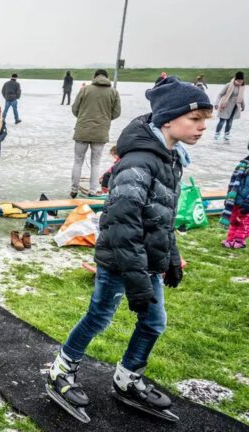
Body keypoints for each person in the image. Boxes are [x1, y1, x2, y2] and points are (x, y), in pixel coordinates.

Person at [45, 77, 213, 423]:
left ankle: (128, 377)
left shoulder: (169, 158)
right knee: (100, 317)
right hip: (120, 260)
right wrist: (136, 279)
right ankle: (61, 369)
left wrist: (169, 256)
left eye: (205, 120)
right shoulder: (139, 163)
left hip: (146, 260)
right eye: (196, 120)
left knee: (153, 323)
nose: (202, 127)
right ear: (169, 119)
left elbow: (161, 216)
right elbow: (123, 226)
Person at [70, 69, 121, 197]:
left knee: (78, 161)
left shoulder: (85, 89)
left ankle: (74, 189)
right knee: (96, 162)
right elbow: (116, 112)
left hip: (82, 130)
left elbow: (75, 109)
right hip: (101, 132)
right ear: (107, 77)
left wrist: (82, 116)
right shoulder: (113, 92)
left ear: (95, 77)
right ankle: (93, 190)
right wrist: (104, 119)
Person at [219, 142, 249, 248]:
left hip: (246, 202)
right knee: (234, 220)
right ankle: (230, 239)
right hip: (236, 199)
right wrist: (229, 197)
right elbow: (233, 183)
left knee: (244, 222)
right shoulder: (243, 164)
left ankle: (239, 240)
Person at [214, 71, 245, 142]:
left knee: (230, 121)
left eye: (241, 80)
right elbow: (220, 94)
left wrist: (243, 105)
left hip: (235, 106)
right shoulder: (229, 85)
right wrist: (216, 103)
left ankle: (226, 135)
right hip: (225, 105)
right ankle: (217, 134)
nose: (240, 82)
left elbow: (241, 97)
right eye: (239, 80)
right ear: (236, 79)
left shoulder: (242, 87)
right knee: (222, 121)